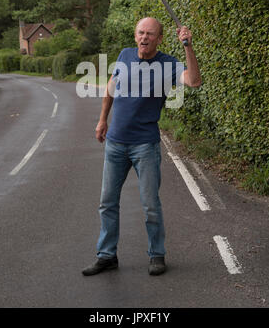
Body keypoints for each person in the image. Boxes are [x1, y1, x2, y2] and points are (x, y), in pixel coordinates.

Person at [82, 17, 201, 276]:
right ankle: (106, 255)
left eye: (150, 34)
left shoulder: (167, 63)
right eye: (140, 32)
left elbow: (193, 82)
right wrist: (102, 120)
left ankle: (157, 254)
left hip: (145, 146)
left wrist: (188, 47)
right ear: (135, 35)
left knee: (150, 205)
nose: (144, 37)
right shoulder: (125, 55)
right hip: (115, 143)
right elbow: (111, 91)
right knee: (107, 202)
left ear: (159, 38)